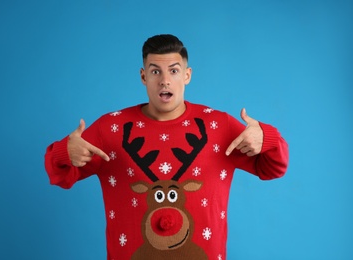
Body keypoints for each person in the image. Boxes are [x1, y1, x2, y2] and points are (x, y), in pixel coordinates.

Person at [44, 34, 289, 260]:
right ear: (143, 76)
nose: (164, 81)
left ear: (187, 75)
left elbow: (273, 168)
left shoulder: (219, 126)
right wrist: (64, 151)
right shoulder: (111, 129)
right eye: (155, 71)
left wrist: (266, 138)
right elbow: (61, 175)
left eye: (173, 71)